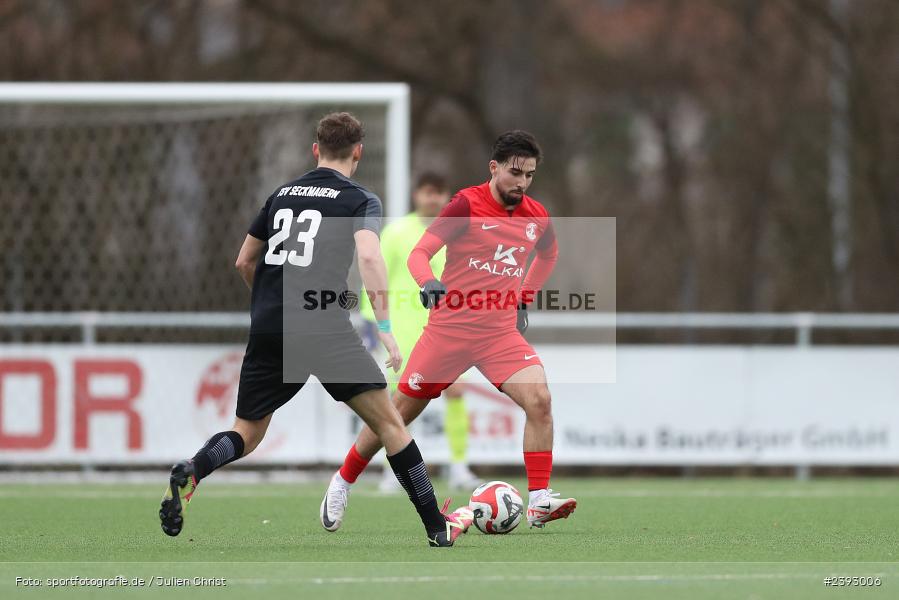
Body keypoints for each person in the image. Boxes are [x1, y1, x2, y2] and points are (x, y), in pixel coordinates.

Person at [159, 112, 472, 547]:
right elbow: (369, 258)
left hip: (270, 324)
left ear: (315, 150)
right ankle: (438, 528)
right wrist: (384, 326)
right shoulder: (360, 199)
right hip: (324, 326)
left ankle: (194, 469)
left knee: (247, 432)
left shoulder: (281, 195)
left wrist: (270, 306)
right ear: (358, 152)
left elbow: (244, 261)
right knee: (391, 425)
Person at [322, 130, 576, 531]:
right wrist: (428, 282)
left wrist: (523, 297)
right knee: (394, 417)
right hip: (449, 333)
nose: (522, 182)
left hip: (498, 335)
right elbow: (420, 254)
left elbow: (550, 254)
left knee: (540, 400)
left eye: (529, 175)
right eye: (515, 173)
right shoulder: (466, 205)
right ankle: (343, 480)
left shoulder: (536, 216)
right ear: (494, 168)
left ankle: (540, 500)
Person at [358, 172, 481, 492]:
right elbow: (375, 274)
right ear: (417, 195)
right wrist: (371, 321)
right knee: (398, 403)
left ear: (446, 196)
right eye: (428, 192)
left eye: (439, 193)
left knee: (456, 392)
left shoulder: (459, 231)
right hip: (405, 330)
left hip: (451, 328)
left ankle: (459, 467)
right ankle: (392, 472)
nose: (433, 199)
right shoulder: (397, 232)